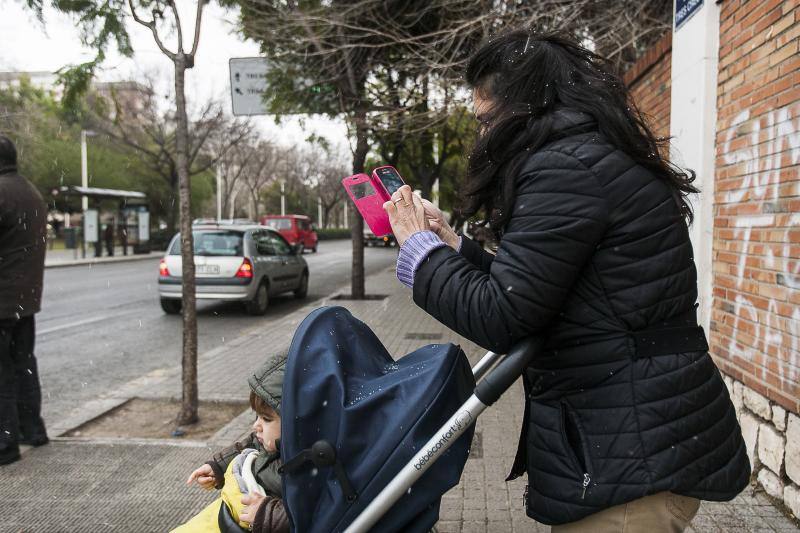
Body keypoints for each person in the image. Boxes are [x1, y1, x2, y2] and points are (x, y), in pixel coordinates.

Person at [384, 31, 749, 532]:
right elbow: (538, 290)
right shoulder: (586, 156)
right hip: (636, 441)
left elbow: (503, 314)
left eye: (486, 118)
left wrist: (419, 254)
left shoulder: (565, 169)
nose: (482, 134)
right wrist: (450, 245)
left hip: (630, 453)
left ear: (524, 105)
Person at [175, 353, 289, 533]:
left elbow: (315, 512)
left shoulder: (312, 467)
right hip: (227, 512)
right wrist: (218, 467)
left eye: (266, 419)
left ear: (297, 424)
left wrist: (269, 515)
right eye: (257, 416)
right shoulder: (273, 442)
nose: (256, 425)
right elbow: (251, 444)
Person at [0, 135, 49, 466]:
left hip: (2, 300)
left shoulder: (1, 192)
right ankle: (33, 429)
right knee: (23, 364)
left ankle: (5, 444)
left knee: (2, 371)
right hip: (24, 299)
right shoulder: (30, 191)